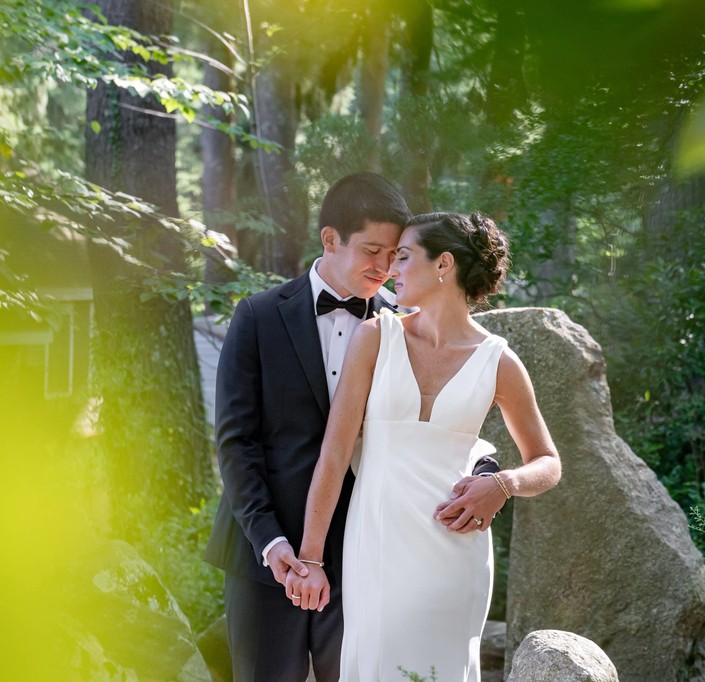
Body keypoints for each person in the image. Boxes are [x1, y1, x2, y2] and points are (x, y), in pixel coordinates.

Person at [203, 176, 499, 682]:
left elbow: (440, 423)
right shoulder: (256, 316)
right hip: (263, 555)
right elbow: (236, 444)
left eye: (396, 254)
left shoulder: (403, 328)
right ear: (330, 239)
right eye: (372, 250)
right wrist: (274, 545)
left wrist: (487, 471)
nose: (385, 267)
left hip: (363, 557)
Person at [287, 211, 562, 681]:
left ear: (444, 265)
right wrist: (310, 558)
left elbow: (548, 462)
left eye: (405, 256)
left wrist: (502, 484)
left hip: (455, 550)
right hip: (376, 544)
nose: (392, 269)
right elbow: (334, 454)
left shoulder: (499, 360)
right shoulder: (376, 336)